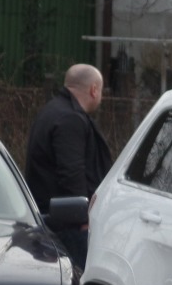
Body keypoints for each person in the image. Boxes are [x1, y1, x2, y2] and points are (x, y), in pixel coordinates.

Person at [24, 64, 113, 269]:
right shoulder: (70, 119)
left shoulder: (53, 110)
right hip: (68, 226)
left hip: (51, 220)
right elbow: (72, 173)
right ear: (93, 89)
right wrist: (82, 217)